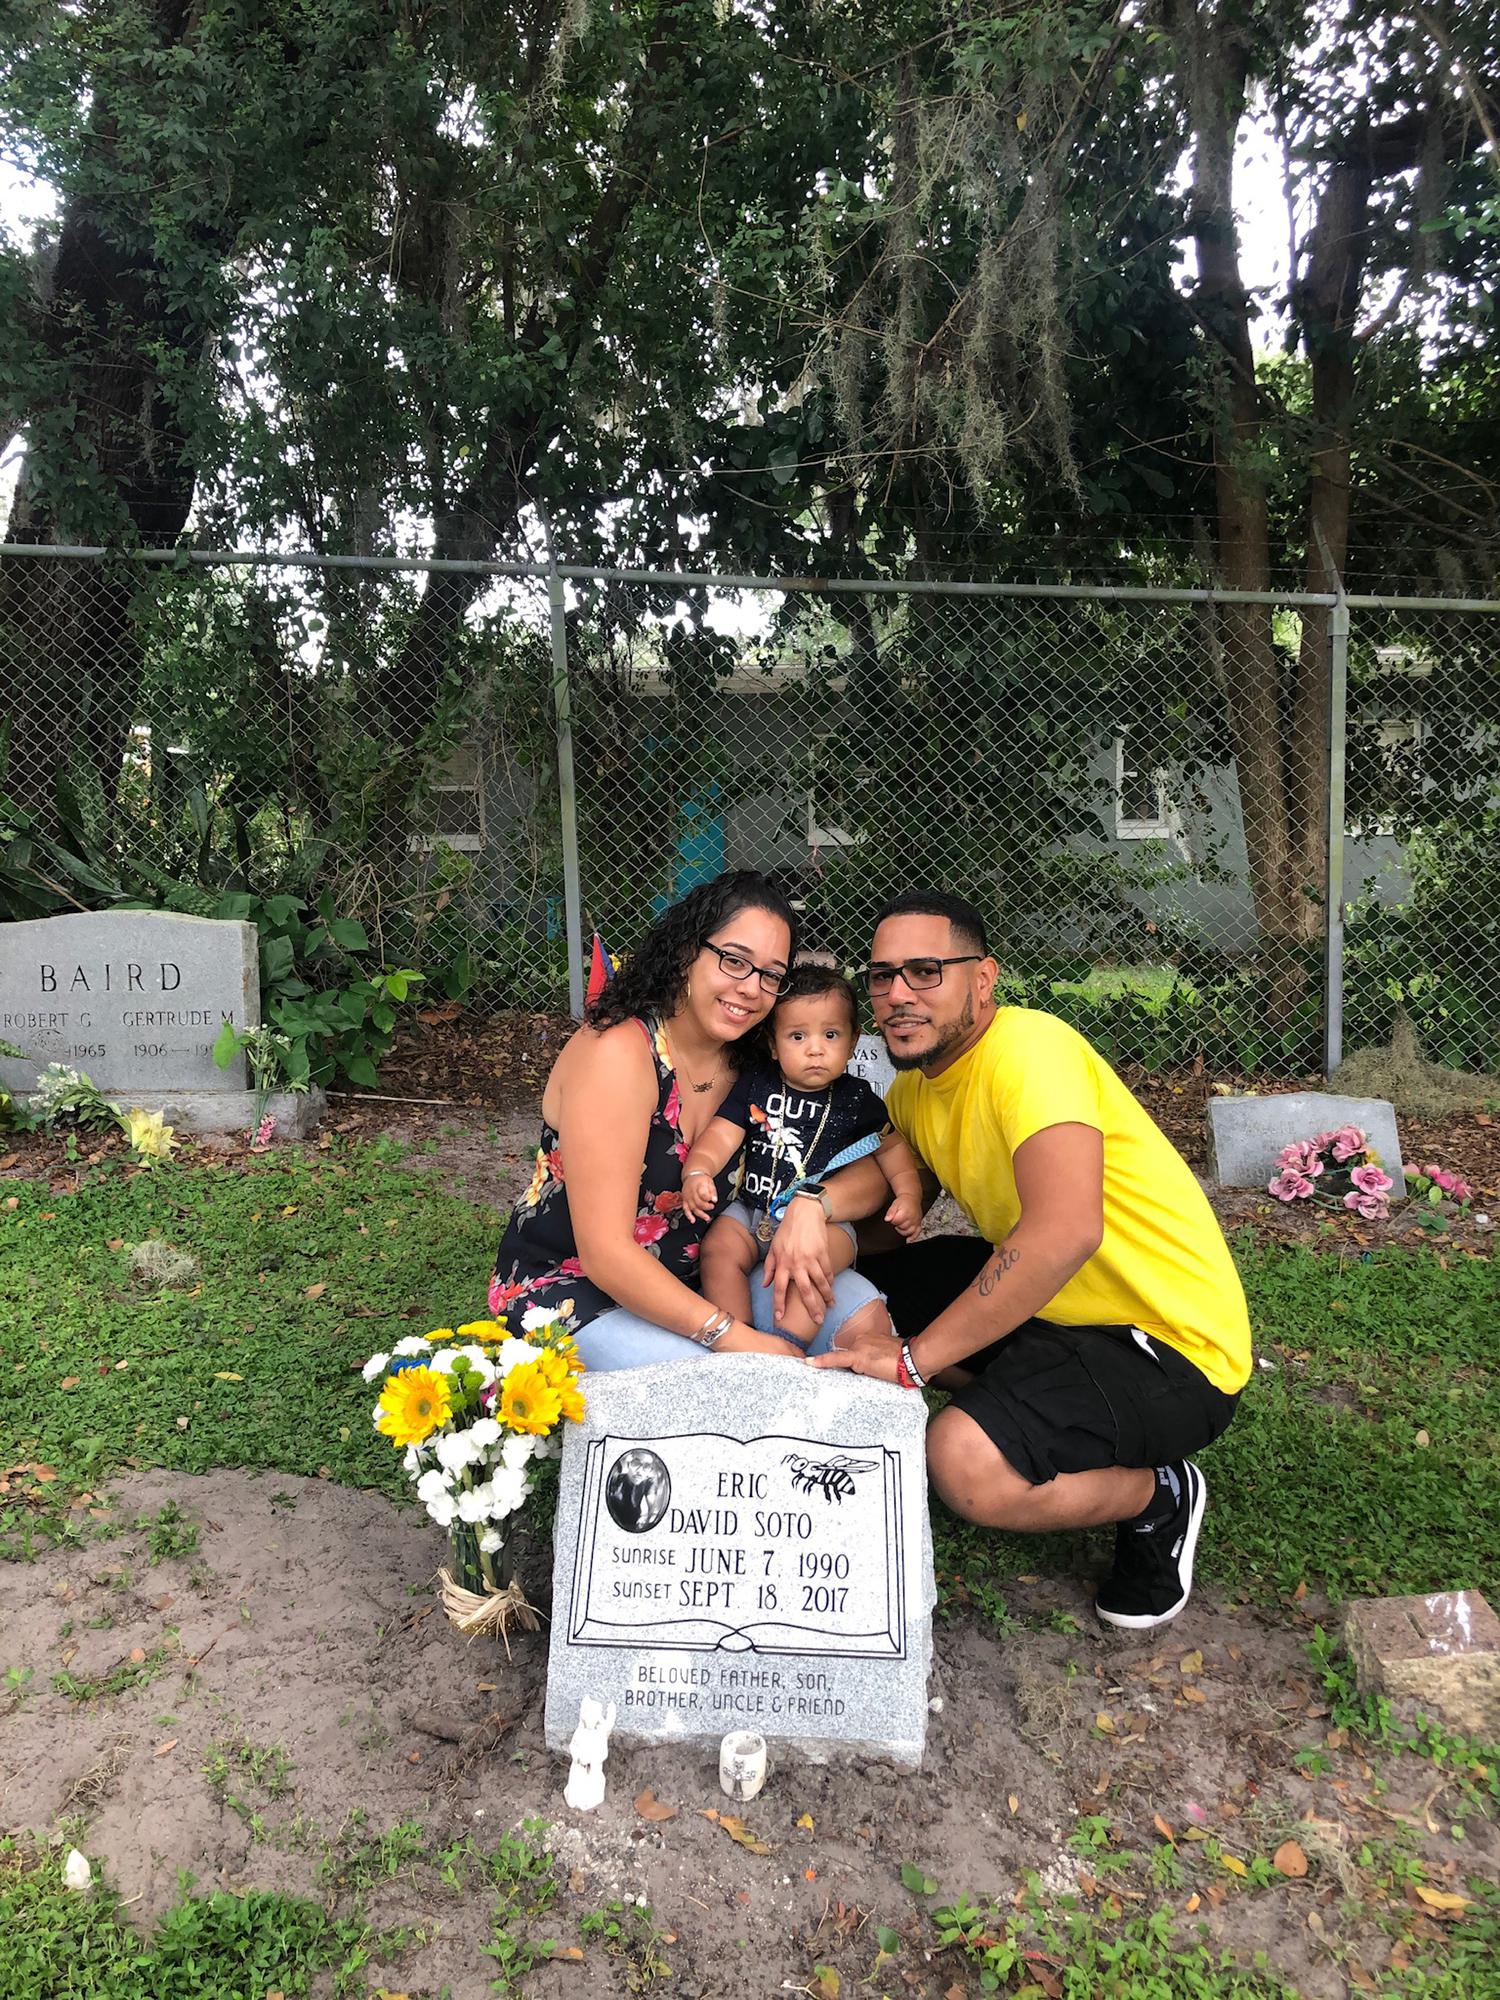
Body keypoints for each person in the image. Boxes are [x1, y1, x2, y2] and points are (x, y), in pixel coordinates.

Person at [812, 889, 1251, 1632]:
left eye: (925, 971)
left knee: (964, 1464)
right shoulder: (916, 1092)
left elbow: (1063, 1232)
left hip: (1166, 1345)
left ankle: (1159, 1494)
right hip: (1052, 1308)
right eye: (881, 976)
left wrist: (914, 1360)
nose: (897, 994)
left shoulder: (1028, 1050)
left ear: (983, 979)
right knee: (841, 1296)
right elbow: (886, 1218)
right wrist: (804, 1214)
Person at [488, 871, 891, 1371]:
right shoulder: (618, 1053)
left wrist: (816, 1203)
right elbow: (606, 1254)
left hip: (706, 1278)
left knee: (862, 1321)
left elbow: (870, 1167)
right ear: (686, 952)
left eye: (771, 975)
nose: (751, 988)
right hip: (575, 1290)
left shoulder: (757, 1065)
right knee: (716, 1384)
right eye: (734, 960)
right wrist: (732, 1337)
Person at [679, 964, 923, 1346]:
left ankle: (787, 1345)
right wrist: (697, 1172)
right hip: (752, 1211)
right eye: (797, 1036)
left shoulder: (857, 1100)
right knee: (717, 1251)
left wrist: (908, 1194)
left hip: (826, 1225)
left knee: (811, 1270)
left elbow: (890, 1147)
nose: (815, 1048)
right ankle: (738, 1341)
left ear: (852, 1042)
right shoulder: (757, 1084)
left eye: (831, 1034)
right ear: (774, 1045)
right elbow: (722, 1133)